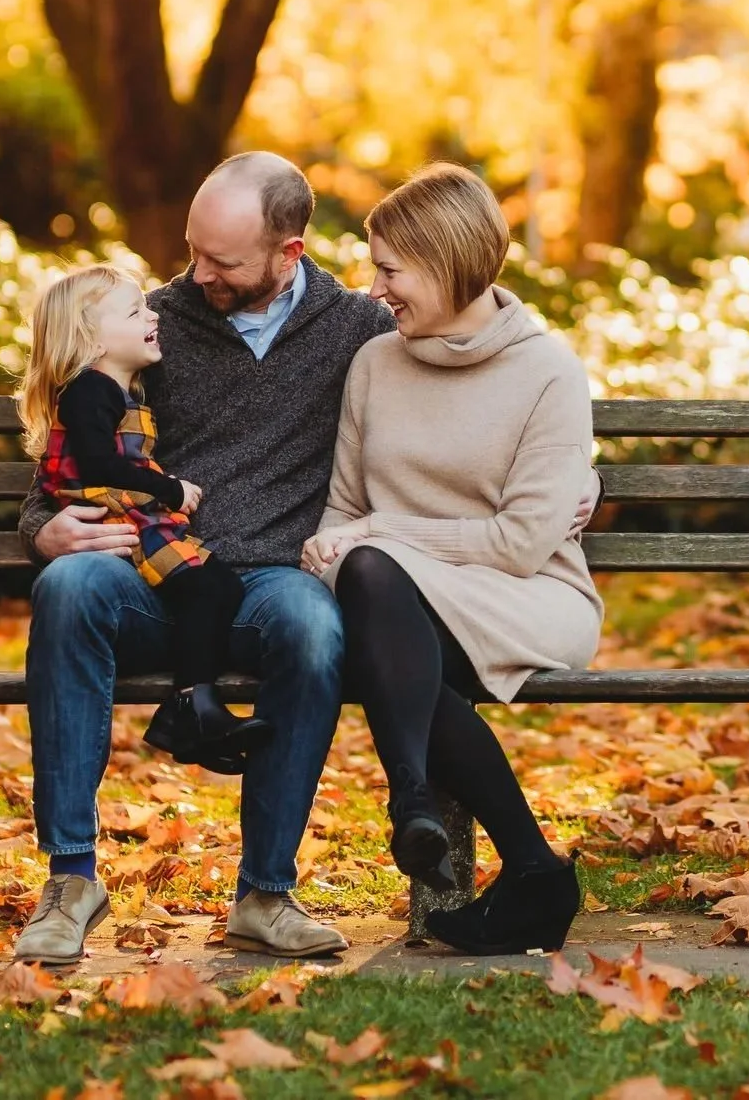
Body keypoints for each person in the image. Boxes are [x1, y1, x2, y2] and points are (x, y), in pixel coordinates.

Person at [14, 154, 395, 966]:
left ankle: (265, 893)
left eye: (222, 261)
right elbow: (65, 455)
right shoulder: (149, 322)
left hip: (271, 582)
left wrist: (578, 469)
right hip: (155, 574)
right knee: (70, 583)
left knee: (313, 627)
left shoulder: (358, 328)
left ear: (288, 253)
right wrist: (43, 529)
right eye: (193, 251)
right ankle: (71, 880)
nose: (197, 274)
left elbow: (476, 356)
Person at [302, 163, 599, 955]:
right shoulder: (374, 365)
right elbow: (343, 513)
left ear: (446, 260)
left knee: (379, 592)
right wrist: (346, 547)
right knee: (375, 592)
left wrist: (380, 536)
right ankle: (508, 854)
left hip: (528, 593)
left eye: (391, 270)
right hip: (400, 602)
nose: (376, 289)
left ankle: (428, 812)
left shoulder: (548, 374)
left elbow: (521, 542)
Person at [16, 265, 272, 771]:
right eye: (135, 311)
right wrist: (169, 488)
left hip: (129, 511)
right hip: (119, 516)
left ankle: (189, 710)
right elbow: (98, 464)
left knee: (214, 585)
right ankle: (191, 708)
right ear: (91, 339)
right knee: (208, 586)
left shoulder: (118, 390)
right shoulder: (92, 390)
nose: (153, 313)